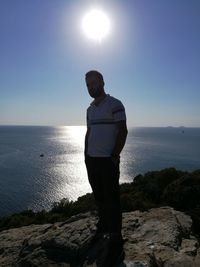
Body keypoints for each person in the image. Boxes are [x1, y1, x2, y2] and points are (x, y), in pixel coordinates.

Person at [84, 70, 128, 266]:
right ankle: (102, 229)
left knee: (112, 199)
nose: (91, 87)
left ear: (102, 82)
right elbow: (89, 132)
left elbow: (123, 131)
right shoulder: (90, 109)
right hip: (92, 160)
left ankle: (116, 239)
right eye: (88, 85)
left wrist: (115, 155)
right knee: (99, 196)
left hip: (107, 161)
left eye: (93, 83)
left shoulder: (115, 104)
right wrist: (85, 154)